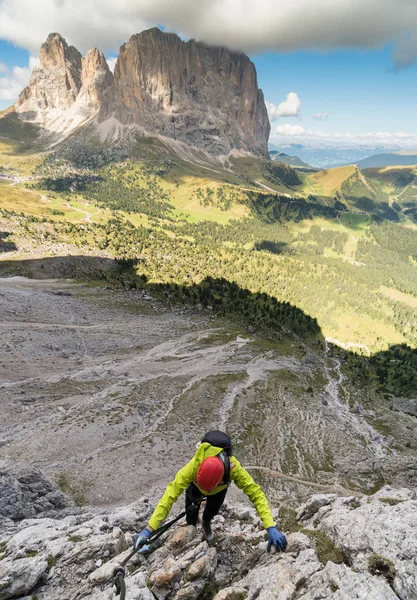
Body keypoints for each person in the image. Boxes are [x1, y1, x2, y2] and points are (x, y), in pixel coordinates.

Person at [134, 430, 287, 552]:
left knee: (211, 512)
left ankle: (206, 522)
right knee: (190, 515)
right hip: (195, 489)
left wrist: (270, 526)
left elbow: (256, 494)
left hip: (218, 493)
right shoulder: (193, 466)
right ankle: (191, 528)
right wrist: (149, 529)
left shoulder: (233, 468)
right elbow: (170, 495)